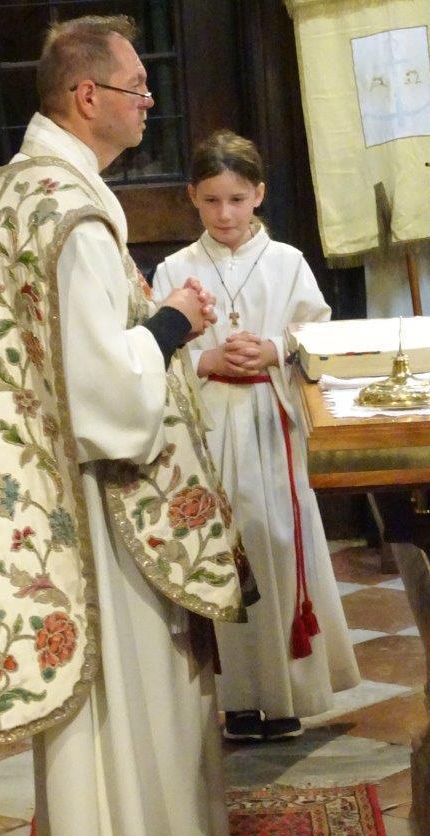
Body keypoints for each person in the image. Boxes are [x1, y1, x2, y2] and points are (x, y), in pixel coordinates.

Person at [0, 18, 254, 836]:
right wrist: (173, 323)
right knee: (141, 683)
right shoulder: (74, 214)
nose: (149, 100)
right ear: (87, 96)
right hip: (105, 495)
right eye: (135, 87)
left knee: (109, 697)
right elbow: (101, 390)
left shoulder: (27, 183)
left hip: (63, 482)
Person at [153, 131, 360, 741]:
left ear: (259, 195)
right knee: (220, 553)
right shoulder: (176, 270)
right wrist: (206, 360)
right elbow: (153, 352)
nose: (225, 214)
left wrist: (273, 349)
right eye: (212, 200)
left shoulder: (287, 262)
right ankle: (238, 700)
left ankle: (286, 694)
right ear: (192, 197)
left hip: (271, 421)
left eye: (237, 200)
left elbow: (318, 337)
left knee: (276, 543)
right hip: (208, 428)